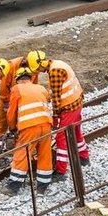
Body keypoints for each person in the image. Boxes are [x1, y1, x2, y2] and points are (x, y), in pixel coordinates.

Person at [27, 49, 91, 177]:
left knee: (61, 136)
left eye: (37, 69)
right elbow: (61, 89)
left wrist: (55, 116)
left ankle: (61, 170)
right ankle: (84, 158)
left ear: (40, 64)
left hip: (69, 106)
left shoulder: (54, 72)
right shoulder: (58, 63)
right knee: (76, 131)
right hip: (77, 101)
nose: (38, 71)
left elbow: (57, 98)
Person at [0, 67, 54, 195]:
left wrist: (13, 128)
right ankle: (43, 187)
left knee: (22, 154)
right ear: (30, 78)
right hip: (46, 125)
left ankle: (13, 187)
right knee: (45, 154)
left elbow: (11, 113)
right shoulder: (41, 88)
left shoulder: (16, 89)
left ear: (18, 79)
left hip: (29, 127)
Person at [0, 54, 38, 140]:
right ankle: (0, 137)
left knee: (20, 120)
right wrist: (6, 102)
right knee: (3, 119)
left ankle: (18, 136)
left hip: (24, 97)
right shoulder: (11, 66)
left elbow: (34, 85)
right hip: (9, 96)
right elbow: (4, 87)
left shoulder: (34, 67)